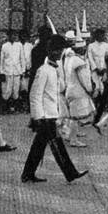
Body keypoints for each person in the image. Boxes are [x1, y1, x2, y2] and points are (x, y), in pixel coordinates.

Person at [21, 35, 88, 184]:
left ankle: (27, 174)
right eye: (57, 50)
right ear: (50, 51)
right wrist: (37, 117)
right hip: (45, 116)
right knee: (57, 145)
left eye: (61, 50)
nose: (60, 53)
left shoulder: (54, 69)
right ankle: (70, 173)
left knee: (39, 146)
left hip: (50, 114)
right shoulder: (43, 70)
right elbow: (35, 95)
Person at [63, 33, 95, 148]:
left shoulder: (70, 59)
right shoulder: (78, 62)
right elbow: (84, 79)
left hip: (70, 89)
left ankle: (70, 135)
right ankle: (73, 139)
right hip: (77, 91)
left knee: (73, 116)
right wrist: (90, 89)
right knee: (75, 117)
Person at [0, 30, 26, 113]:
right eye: (12, 35)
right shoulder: (4, 46)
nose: (14, 37)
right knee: (7, 90)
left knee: (16, 90)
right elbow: (2, 60)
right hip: (7, 71)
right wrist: (1, 72)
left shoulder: (19, 45)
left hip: (17, 71)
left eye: (15, 35)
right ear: (8, 36)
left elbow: (22, 58)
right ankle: (5, 108)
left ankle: (14, 107)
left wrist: (22, 71)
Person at [88, 28, 108, 125]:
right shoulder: (91, 46)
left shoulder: (106, 46)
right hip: (95, 71)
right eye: (101, 35)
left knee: (103, 92)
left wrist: (104, 69)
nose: (102, 37)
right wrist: (95, 68)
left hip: (103, 70)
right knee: (96, 91)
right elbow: (90, 58)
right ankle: (93, 115)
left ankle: (99, 116)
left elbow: (107, 58)